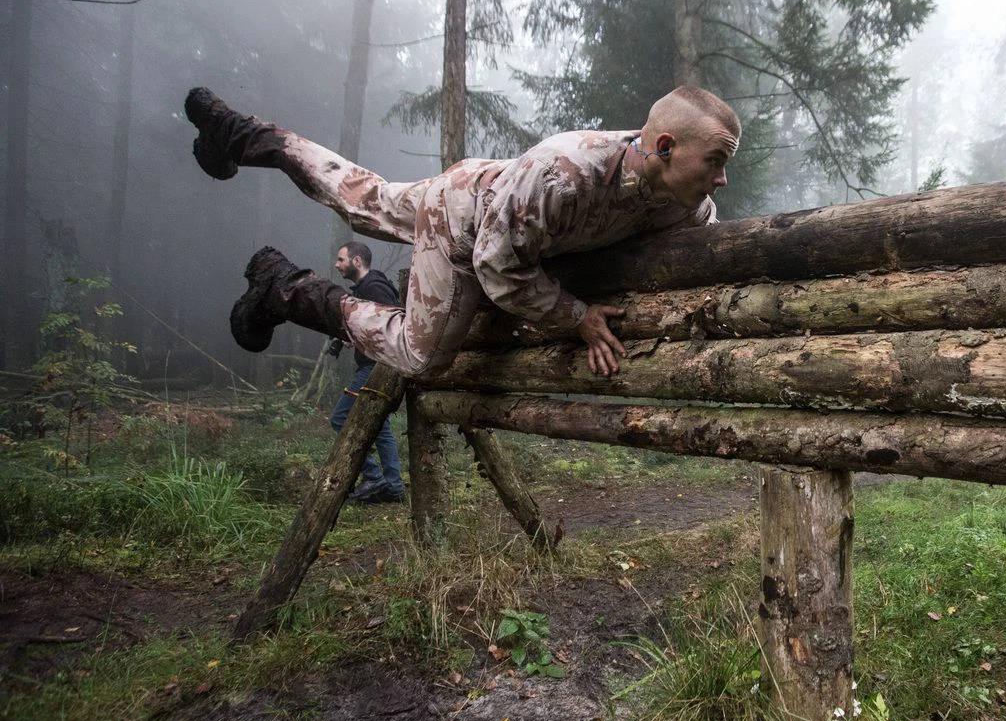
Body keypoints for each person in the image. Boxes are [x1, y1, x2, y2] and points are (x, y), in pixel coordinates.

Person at [182, 85, 737, 379]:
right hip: (464, 222)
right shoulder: (565, 174)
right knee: (421, 356)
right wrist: (577, 316)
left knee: (360, 200)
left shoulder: (688, 203)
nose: (722, 177)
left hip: (486, 189)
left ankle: (241, 135)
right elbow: (498, 268)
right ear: (665, 147)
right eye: (714, 161)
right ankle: (288, 289)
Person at [327, 242, 405, 504]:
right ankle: (393, 487)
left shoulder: (374, 287)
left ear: (356, 261)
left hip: (376, 367)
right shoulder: (365, 288)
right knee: (380, 426)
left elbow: (393, 323)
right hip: (375, 364)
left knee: (340, 417)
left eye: (341, 260)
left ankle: (374, 477)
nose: (337, 265)